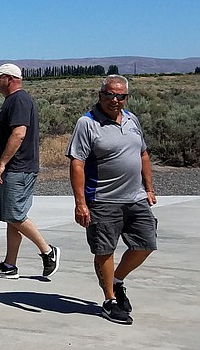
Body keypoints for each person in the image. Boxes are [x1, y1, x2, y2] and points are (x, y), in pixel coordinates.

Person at [67, 76, 157, 325]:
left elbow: (143, 154)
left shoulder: (131, 119)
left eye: (120, 96)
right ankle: (110, 300)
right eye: (109, 95)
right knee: (104, 250)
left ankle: (116, 281)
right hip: (102, 199)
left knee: (146, 243)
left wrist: (148, 188)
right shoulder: (87, 123)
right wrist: (80, 202)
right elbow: (77, 163)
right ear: (100, 95)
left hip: (135, 197)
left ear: (126, 97)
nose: (114, 100)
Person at [0, 63, 59, 279]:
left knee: (15, 214)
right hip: (16, 168)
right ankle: (10, 266)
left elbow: (19, 134)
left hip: (17, 168)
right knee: (12, 217)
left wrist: (1, 165)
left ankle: (48, 252)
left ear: (9, 79)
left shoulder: (19, 99)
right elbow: (11, 127)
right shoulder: (12, 101)